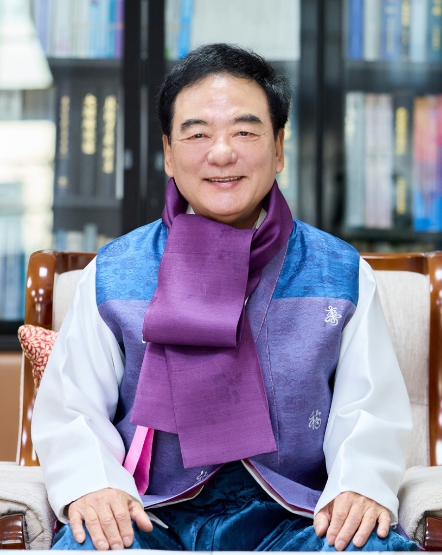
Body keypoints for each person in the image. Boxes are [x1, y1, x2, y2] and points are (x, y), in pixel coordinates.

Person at [32, 43, 417, 552]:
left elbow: (369, 408)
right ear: (169, 153)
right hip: (150, 517)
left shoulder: (340, 272)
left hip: (298, 517)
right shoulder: (114, 273)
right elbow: (73, 407)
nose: (221, 153)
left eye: (244, 131)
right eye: (197, 134)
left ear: (279, 148)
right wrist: (93, 484)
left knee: (369, 543)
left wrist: (359, 486)